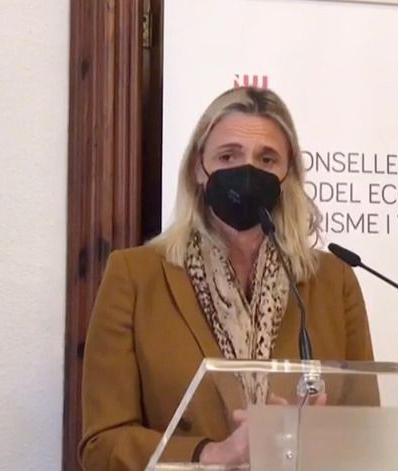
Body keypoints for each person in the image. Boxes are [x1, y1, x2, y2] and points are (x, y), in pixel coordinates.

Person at [79, 87, 376, 470]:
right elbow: (102, 445)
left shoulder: (333, 282)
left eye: (267, 159)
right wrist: (212, 454)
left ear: (288, 176)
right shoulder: (135, 276)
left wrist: (321, 440)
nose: (247, 172)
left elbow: (369, 433)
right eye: (228, 156)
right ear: (197, 170)